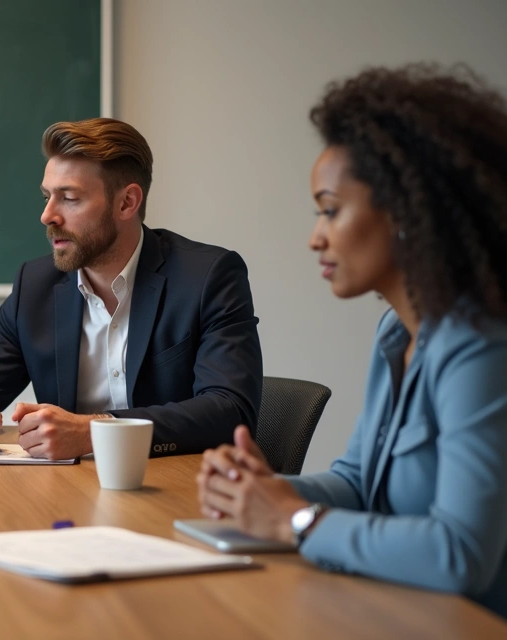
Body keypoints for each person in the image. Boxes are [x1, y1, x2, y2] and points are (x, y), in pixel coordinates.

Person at [197, 64, 507, 617]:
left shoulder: (480, 346)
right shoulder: (396, 332)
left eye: (331, 210)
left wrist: (294, 520)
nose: (315, 238)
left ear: (407, 211)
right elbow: (358, 482)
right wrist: (266, 492)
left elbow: (462, 554)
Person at [0, 117, 263, 459]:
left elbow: (230, 410)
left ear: (126, 203)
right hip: (69, 486)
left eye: (69, 198)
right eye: (46, 197)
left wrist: (95, 432)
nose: (47, 216)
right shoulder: (36, 286)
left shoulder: (206, 277)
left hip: (175, 483)